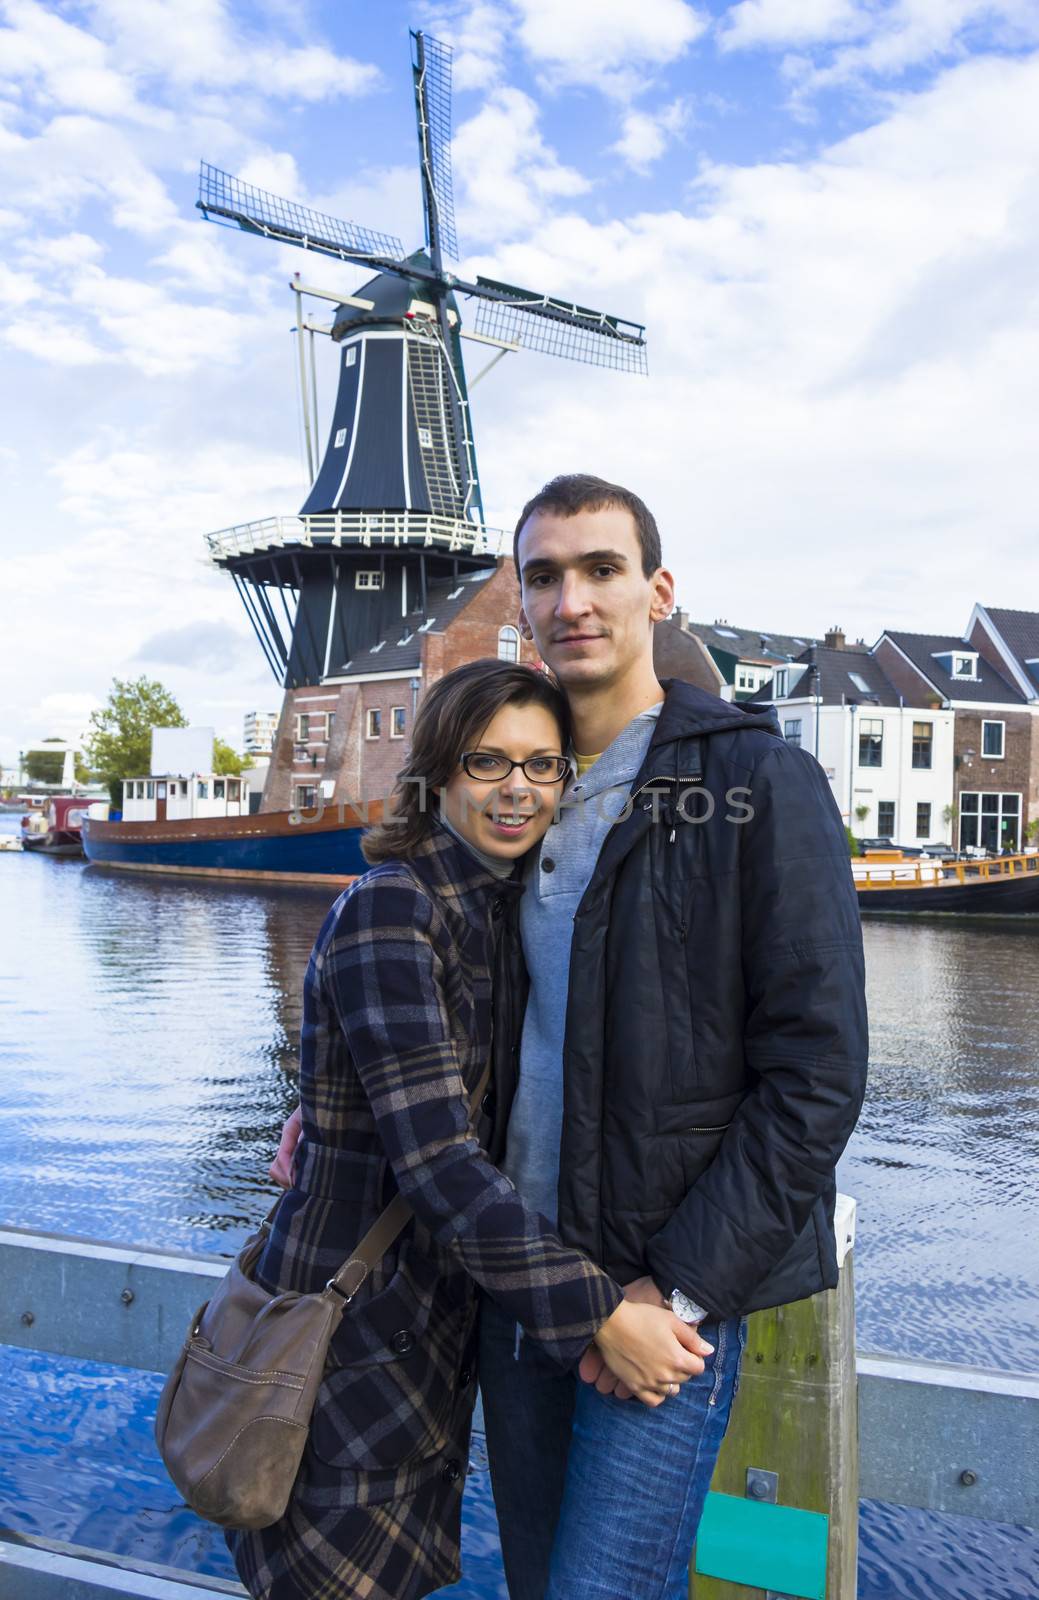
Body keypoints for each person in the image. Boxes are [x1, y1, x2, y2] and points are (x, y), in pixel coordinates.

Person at [272, 473, 869, 1600]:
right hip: (511, 1284)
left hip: (656, 1297)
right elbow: (471, 994)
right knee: (538, 1584)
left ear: (659, 590)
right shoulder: (523, 791)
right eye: (542, 574)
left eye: (600, 568)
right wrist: (336, 1093)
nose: (572, 598)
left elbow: (818, 1075)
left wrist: (674, 1295)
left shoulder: (756, 780)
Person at [231, 659, 713, 1600]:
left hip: (433, 1335)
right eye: (487, 763)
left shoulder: (503, 911)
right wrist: (602, 1314)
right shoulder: (393, 910)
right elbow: (438, 1163)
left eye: (543, 766)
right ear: (438, 775)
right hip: (347, 1334)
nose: (517, 789)